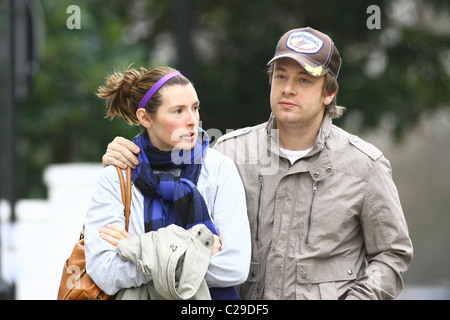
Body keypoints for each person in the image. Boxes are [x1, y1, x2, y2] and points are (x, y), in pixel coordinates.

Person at [102, 27, 413, 300]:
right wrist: (126, 154)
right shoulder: (229, 153)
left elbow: (392, 254)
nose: (288, 88)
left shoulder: (364, 165)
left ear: (328, 93)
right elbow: (164, 147)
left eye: (304, 79)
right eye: (281, 76)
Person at [85, 66, 251, 299]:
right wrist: (196, 253)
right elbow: (106, 272)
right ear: (145, 117)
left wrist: (139, 249)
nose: (193, 120)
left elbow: (235, 266)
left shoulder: (219, 169)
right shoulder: (117, 176)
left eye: (195, 108)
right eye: (178, 111)